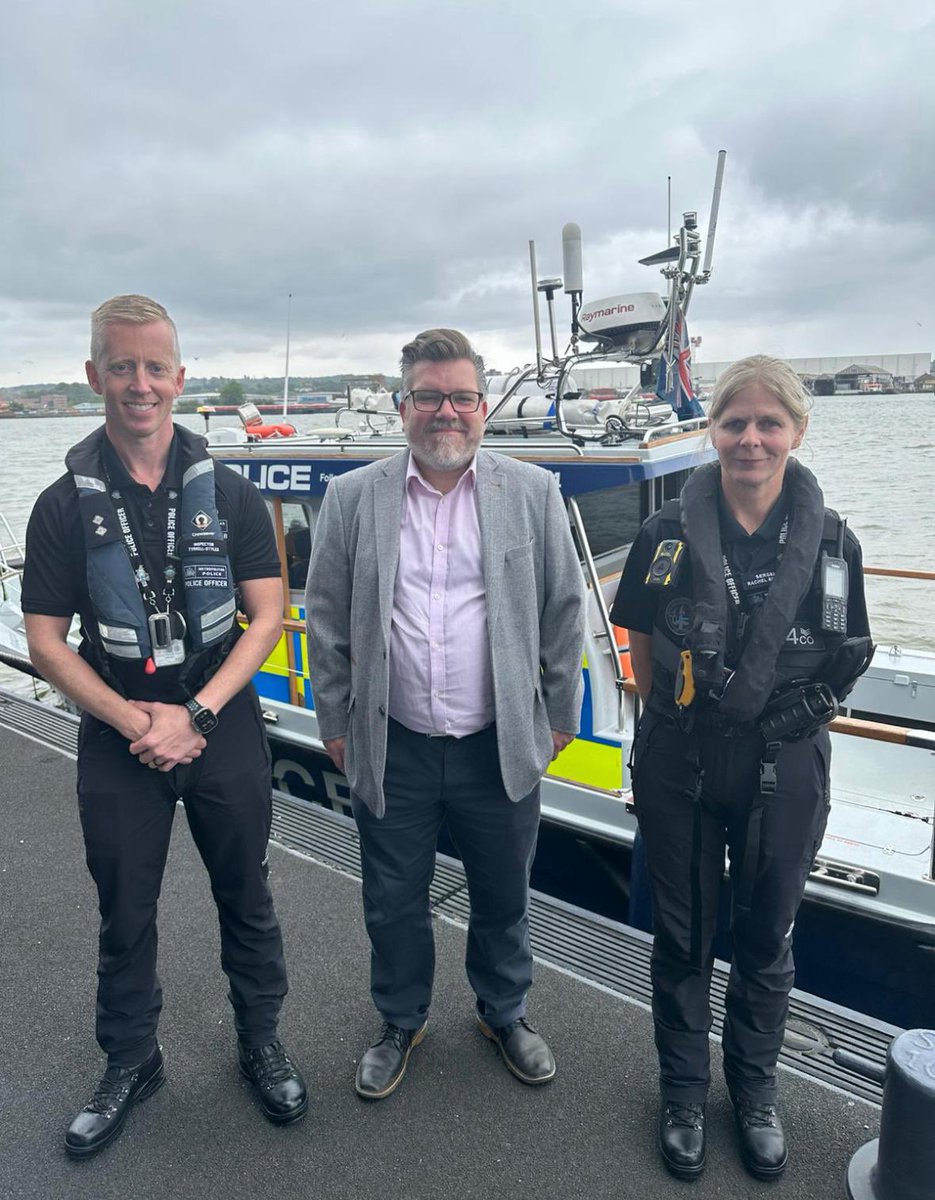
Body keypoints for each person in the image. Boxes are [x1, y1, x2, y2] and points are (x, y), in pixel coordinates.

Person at [22, 295, 308, 1158]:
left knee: (246, 897)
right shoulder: (60, 507)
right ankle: (130, 1060)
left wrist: (196, 714)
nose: (138, 384)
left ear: (179, 380)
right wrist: (135, 721)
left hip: (220, 724)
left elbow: (265, 616)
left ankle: (259, 1040)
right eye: (121, 366)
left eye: (154, 368)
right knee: (124, 910)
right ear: (93, 376)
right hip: (120, 734)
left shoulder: (230, 493)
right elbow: (44, 641)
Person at [305, 328, 585, 1099]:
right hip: (391, 740)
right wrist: (332, 722)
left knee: (503, 894)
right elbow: (325, 619)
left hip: (498, 743)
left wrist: (559, 717)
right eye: (427, 396)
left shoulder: (530, 493)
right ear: (402, 407)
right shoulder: (353, 497)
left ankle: (505, 1011)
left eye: (460, 396)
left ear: (482, 407)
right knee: (392, 900)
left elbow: (564, 613)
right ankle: (400, 1019)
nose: (444, 411)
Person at [610, 355, 871, 1182]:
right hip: (681, 760)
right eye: (733, 422)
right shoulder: (662, 535)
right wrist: (670, 729)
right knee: (681, 938)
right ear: (711, 431)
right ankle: (684, 1092)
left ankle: (753, 1091)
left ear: (796, 430)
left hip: (786, 765)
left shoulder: (834, 542)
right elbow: (642, 647)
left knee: (766, 940)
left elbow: (846, 653)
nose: (749, 439)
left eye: (767, 423)